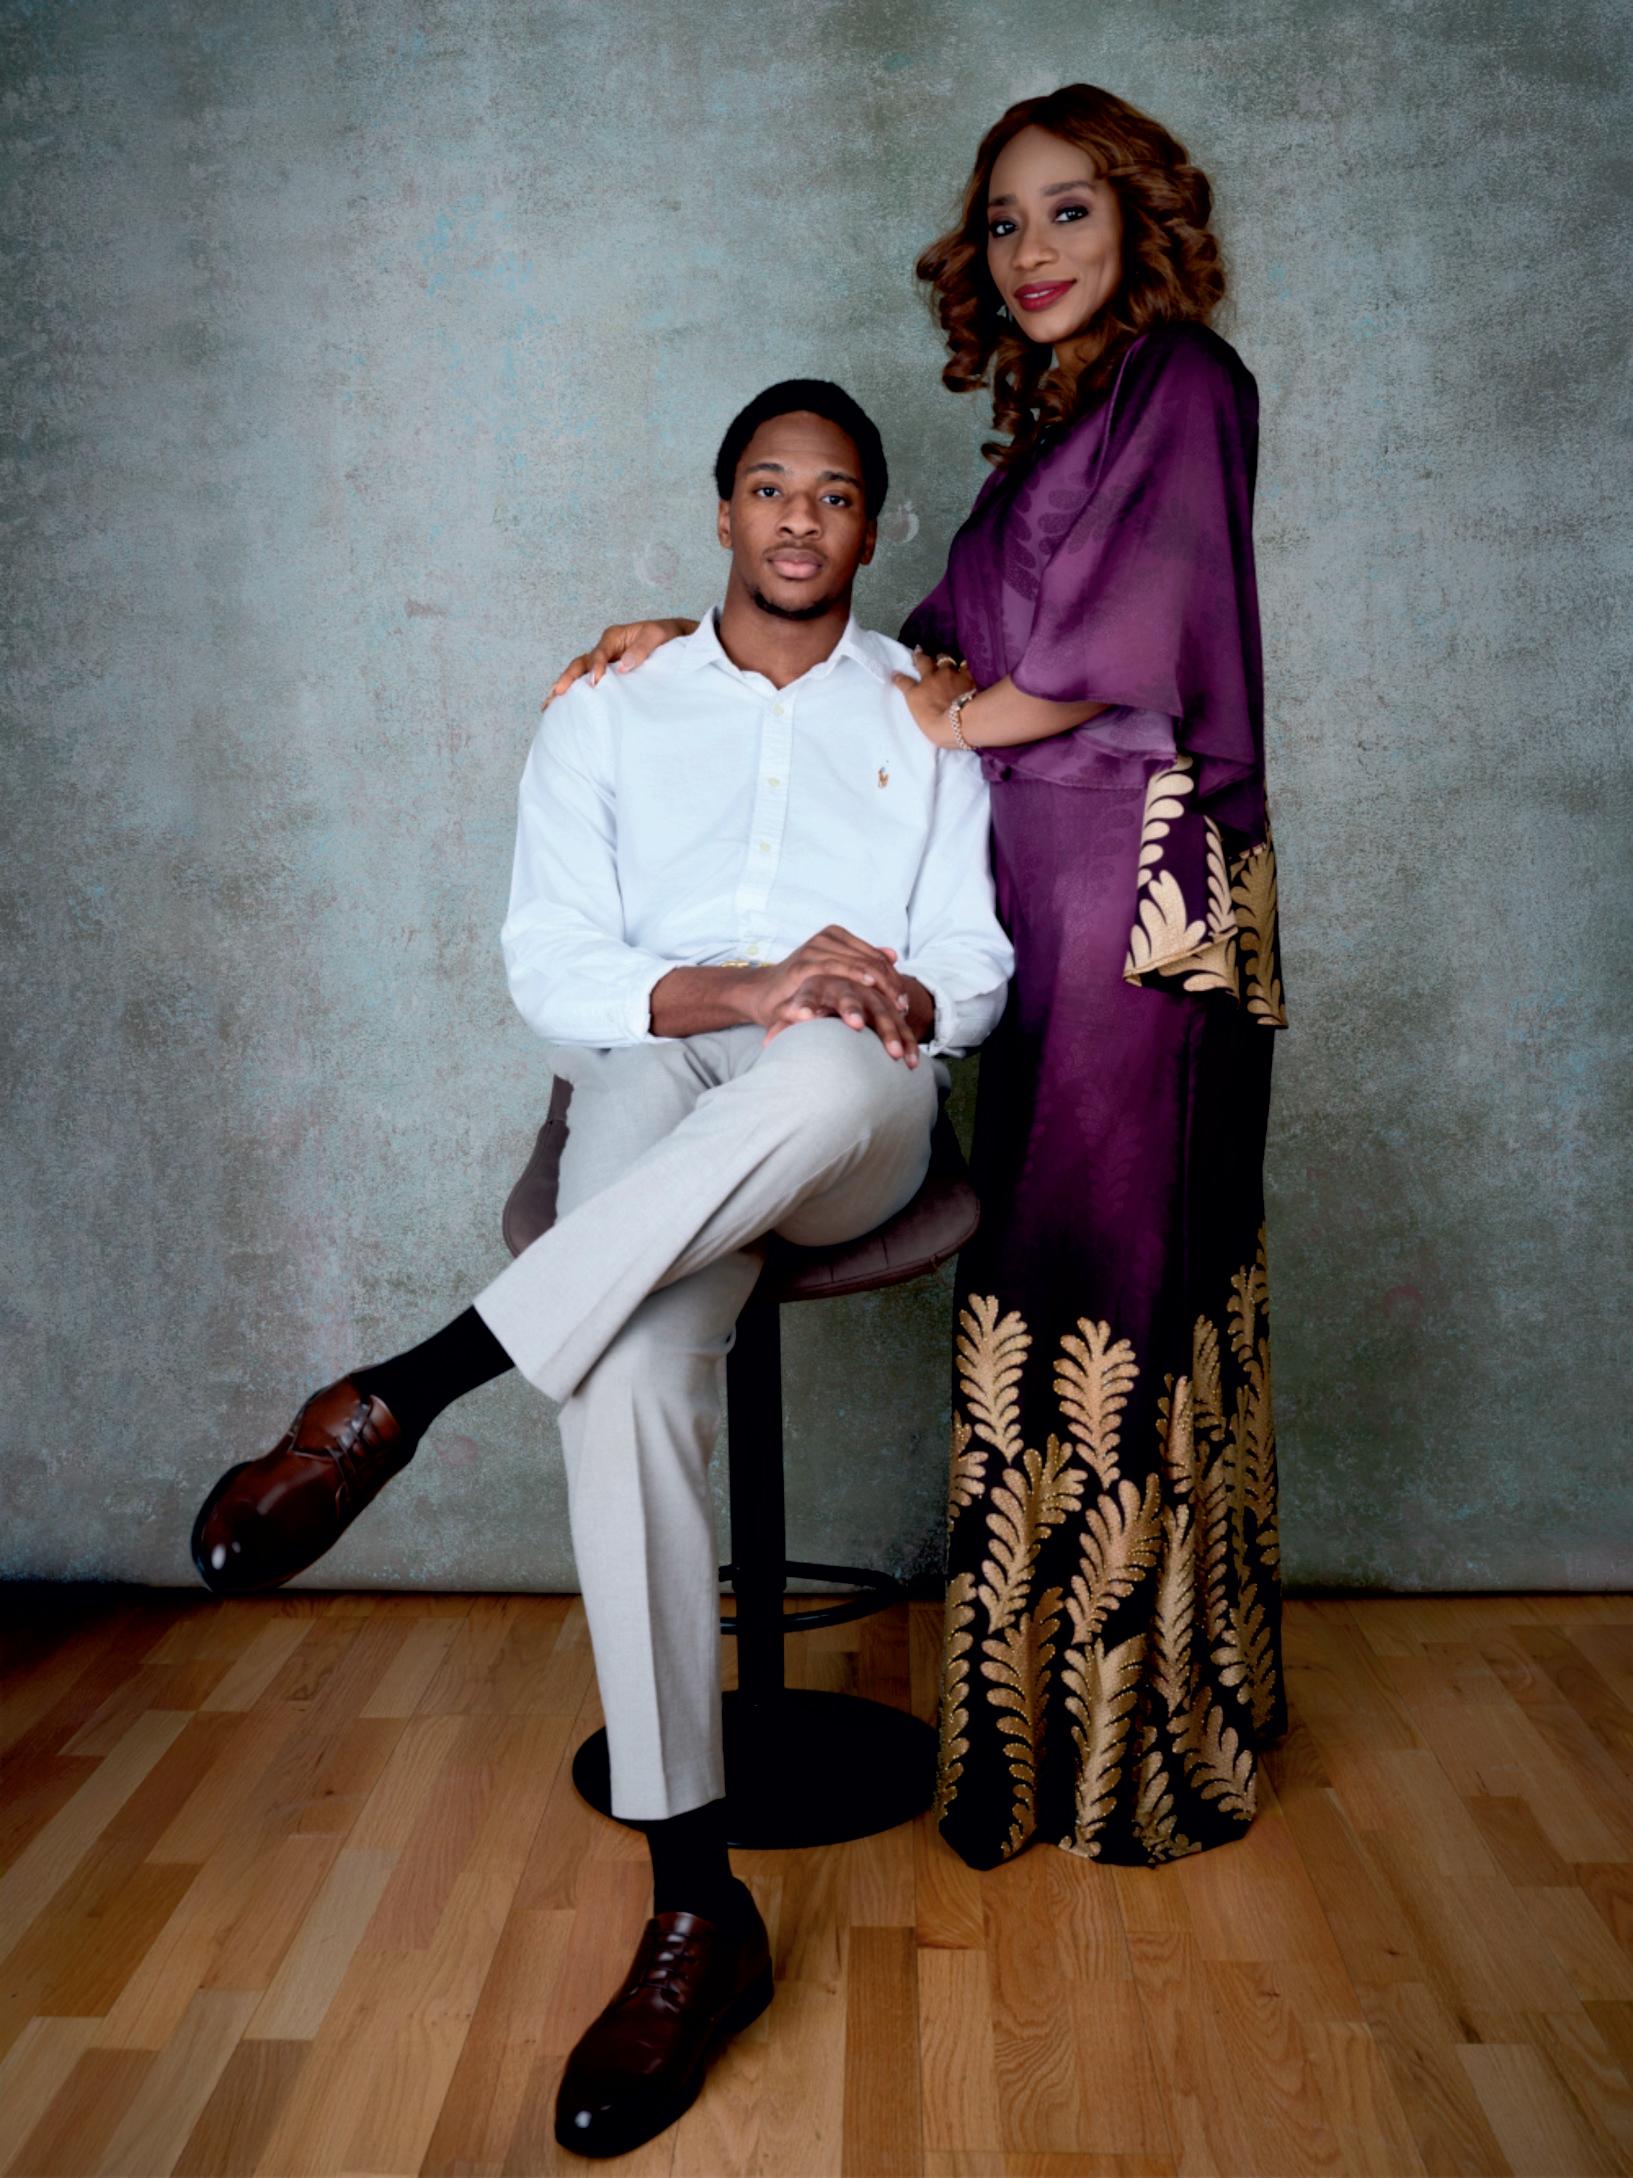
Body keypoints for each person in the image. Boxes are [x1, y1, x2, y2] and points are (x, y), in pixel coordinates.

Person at [188, 379, 1013, 2156]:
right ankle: (695, 1910)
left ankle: (407, 1388)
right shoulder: (607, 703)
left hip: (851, 1099)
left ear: (870, 529)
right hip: (656, 1064)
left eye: (835, 495)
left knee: (820, 1070)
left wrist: (870, 994)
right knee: (626, 1369)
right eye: (769, 487)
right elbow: (552, 965)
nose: (799, 520)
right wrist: (744, 984)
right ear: (720, 509)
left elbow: (974, 958)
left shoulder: (923, 710)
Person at [547, 84, 1288, 1873]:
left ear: (1141, 218)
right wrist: (681, 640)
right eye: (1006, 220)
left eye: (1070, 211)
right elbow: (903, 654)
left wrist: (966, 722)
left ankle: (1122, 1747)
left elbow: (1125, 642)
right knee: (1042, 1282)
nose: (1033, 250)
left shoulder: (1182, 378)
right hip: (1036, 898)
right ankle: (1029, 1731)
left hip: (1136, 891)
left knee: (1118, 1284)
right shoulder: (1057, 421)